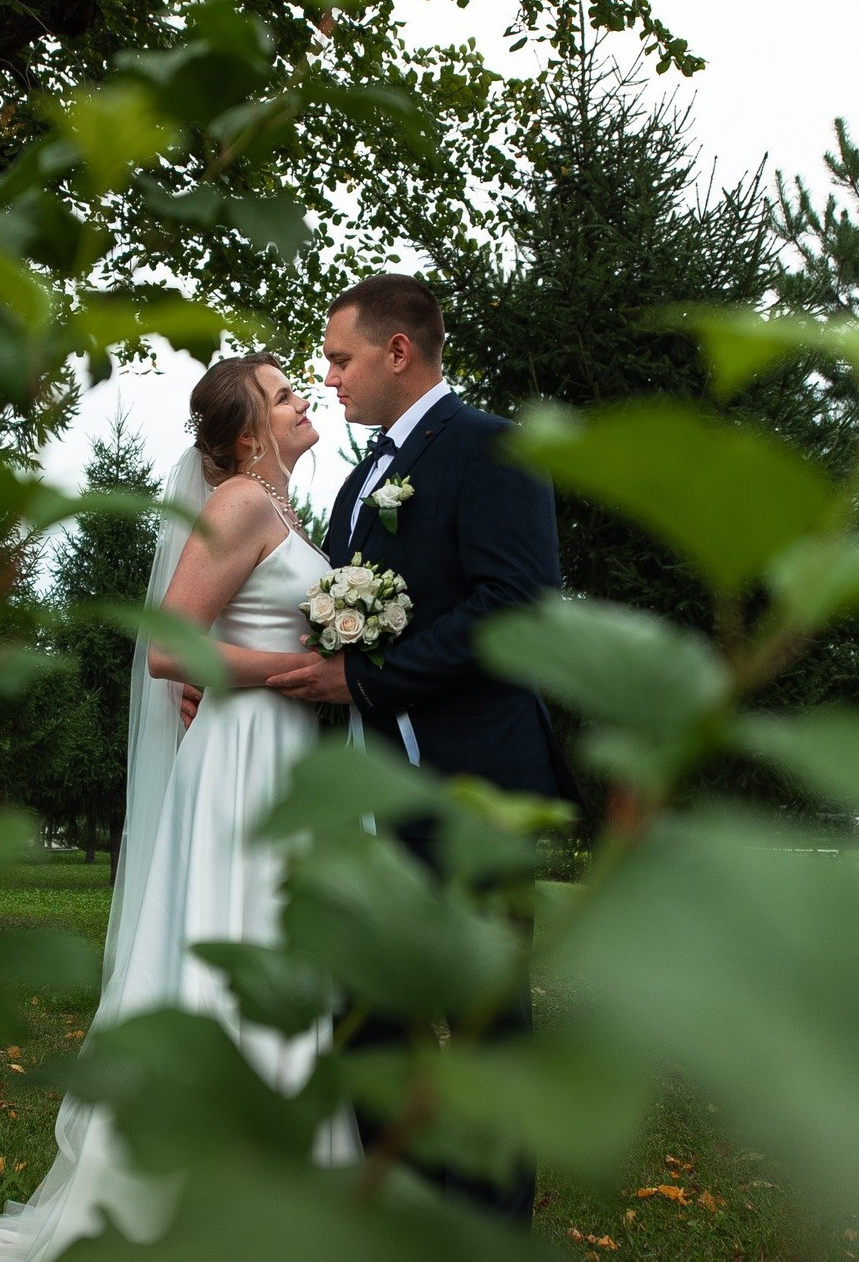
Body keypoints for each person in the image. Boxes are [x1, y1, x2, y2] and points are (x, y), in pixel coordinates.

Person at [0, 353, 357, 1262]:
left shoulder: (281, 507)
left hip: (279, 753)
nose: (305, 400)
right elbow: (173, 648)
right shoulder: (240, 503)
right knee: (233, 946)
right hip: (243, 756)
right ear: (249, 433)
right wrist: (306, 674)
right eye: (286, 394)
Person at [267, 273, 577, 1229]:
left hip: (473, 785)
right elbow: (335, 620)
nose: (331, 379)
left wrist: (364, 682)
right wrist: (242, 675)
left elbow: (513, 608)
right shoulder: (360, 482)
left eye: (341, 358)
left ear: (399, 352)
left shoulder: (491, 448)